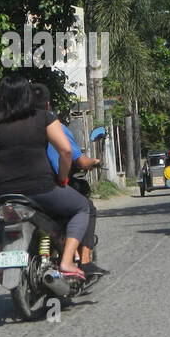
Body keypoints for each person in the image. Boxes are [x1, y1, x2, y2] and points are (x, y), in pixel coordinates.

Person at [0, 75, 94, 282]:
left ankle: (1, 264)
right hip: (41, 189)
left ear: (0, 97)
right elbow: (65, 151)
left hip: (2, 192)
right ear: (27, 95)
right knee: (83, 207)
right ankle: (66, 261)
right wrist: (62, 178)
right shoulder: (43, 118)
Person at [31, 83, 107, 276]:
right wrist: (94, 161)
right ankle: (85, 261)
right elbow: (78, 160)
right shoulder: (54, 126)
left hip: (20, 189)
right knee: (86, 207)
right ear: (48, 105)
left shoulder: (19, 127)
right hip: (50, 185)